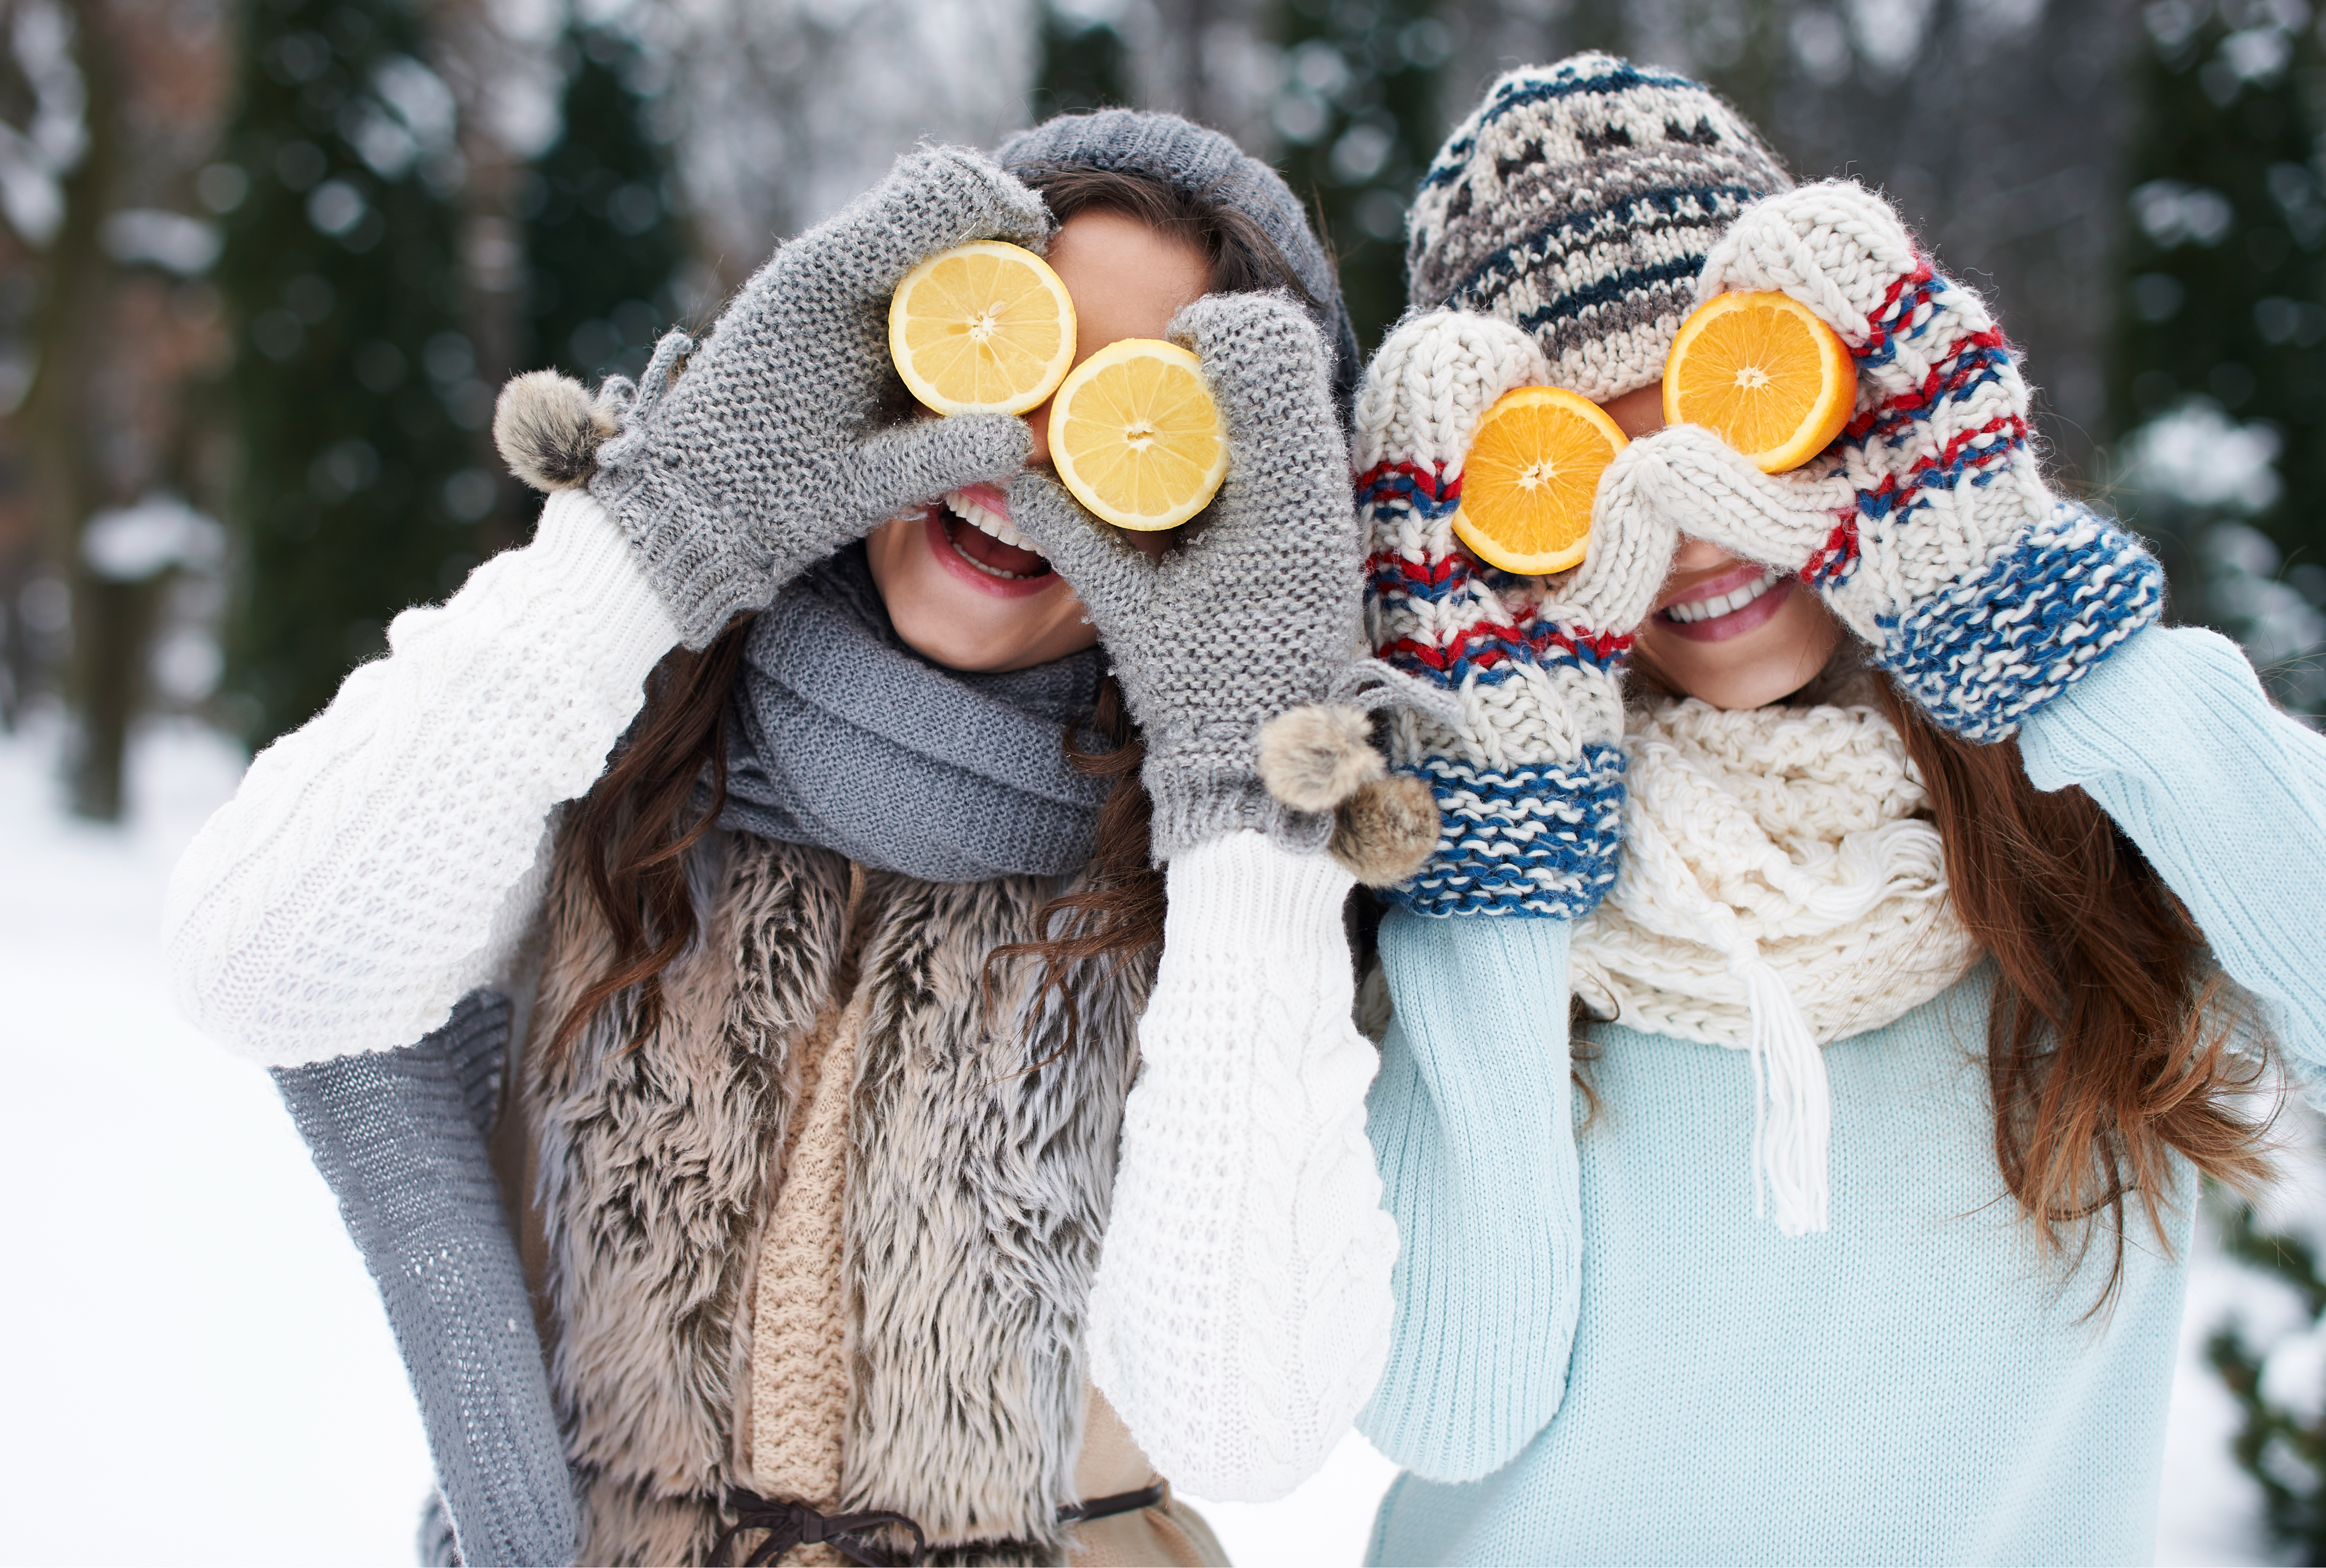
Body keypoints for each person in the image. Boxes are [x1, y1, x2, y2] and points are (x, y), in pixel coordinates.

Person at [164, 111, 1418, 1568]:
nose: (1015, 463)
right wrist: (662, 530)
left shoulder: (1252, 897)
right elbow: (256, 971)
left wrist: (1245, 799)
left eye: (1135, 423)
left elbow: (1244, 1429)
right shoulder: (606, 721)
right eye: (995, 353)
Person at [1340, 54, 2326, 1563]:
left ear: (1852, 405)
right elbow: (1443, 1404)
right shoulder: (1475, 898)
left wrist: (2030, 624)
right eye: (1590, 464)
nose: (1686, 521)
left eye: (1731, 417)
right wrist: (1495, 846)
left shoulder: (2102, 815)